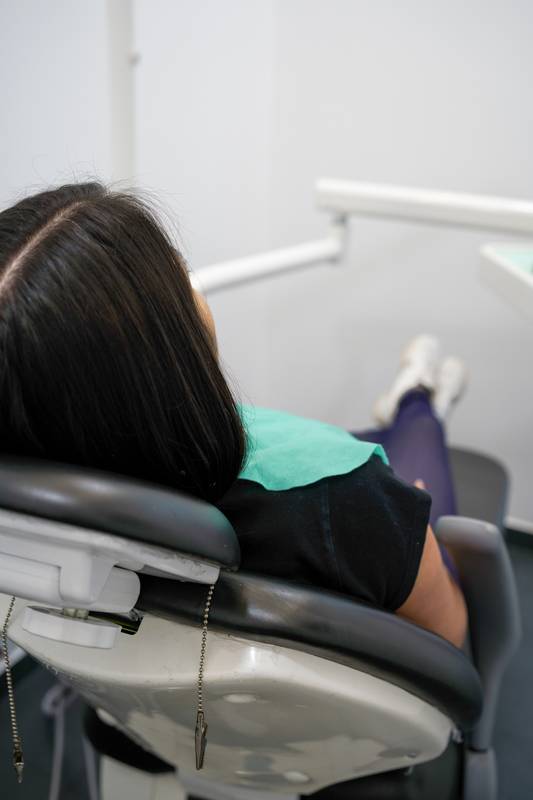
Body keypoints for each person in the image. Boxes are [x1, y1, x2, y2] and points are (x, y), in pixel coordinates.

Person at [0, 182, 467, 649]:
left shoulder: (39, 507)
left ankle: (414, 394)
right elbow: (448, 636)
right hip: (363, 517)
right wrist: (406, 526)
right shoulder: (340, 495)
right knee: (420, 436)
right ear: (158, 363)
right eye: (183, 277)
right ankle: (419, 394)